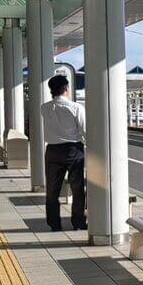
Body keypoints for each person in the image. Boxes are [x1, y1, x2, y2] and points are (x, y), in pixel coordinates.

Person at [42, 75, 86, 231]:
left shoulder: (44, 108)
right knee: (77, 188)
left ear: (51, 90)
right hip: (73, 150)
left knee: (52, 190)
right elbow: (85, 130)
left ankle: (54, 224)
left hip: (52, 151)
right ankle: (78, 222)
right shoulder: (76, 107)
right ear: (67, 89)